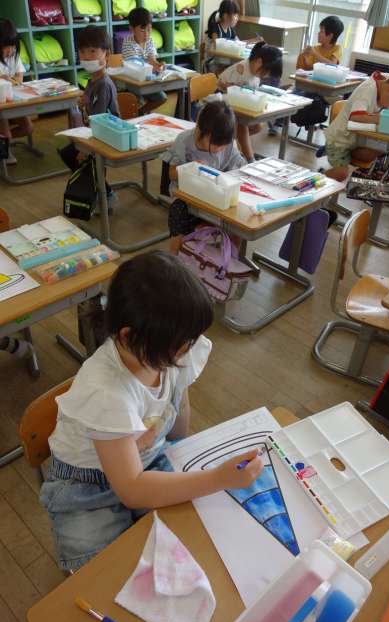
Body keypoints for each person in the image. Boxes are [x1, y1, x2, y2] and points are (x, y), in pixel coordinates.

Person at [40, 251, 263, 571]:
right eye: (179, 346)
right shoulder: (107, 391)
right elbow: (132, 489)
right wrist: (218, 478)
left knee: (193, 534)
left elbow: (178, 405)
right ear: (128, 337)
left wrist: (180, 452)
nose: (186, 352)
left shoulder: (171, 347)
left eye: (190, 341)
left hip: (146, 458)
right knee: (108, 573)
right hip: (86, 490)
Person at [161, 100, 246, 254]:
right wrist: (189, 169)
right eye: (216, 144)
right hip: (188, 198)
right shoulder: (184, 141)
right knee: (178, 212)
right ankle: (174, 257)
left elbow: (240, 169)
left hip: (216, 198)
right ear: (200, 130)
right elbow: (171, 174)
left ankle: (229, 261)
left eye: (224, 145)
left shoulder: (226, 144)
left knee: (239, 220)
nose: (219, 149)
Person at [58, 26, 119, 207]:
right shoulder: (93, 80)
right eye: (83, 52)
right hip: (95, 133)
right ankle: (99, 190)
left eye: (92, 51)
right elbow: (92, 106)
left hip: (105, 136)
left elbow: (99, 120)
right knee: (70, 153)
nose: (87, 57)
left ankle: (106, 194)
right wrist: (84, 102)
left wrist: (86, 149)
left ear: (106, 54)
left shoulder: (103, 84)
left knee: (79, 157)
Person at [324, 69, 389, 181]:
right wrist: (386, 118)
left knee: (381, 151)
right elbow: (355, 117)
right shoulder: (368, 90)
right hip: (339, 141)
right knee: (342, 173)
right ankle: (317, 179)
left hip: (358, 141)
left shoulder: (387, 83)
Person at [218, 42, 283, 161]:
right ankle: (249, 159)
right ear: (259, 62)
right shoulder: (241, 69)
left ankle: (228, 144)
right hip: (220, 103)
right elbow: (222, 86)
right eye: (264, 72)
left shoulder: (254, 73)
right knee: (242, 125)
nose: (264, 76)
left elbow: (251, 91)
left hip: (237, 104)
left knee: (257, 126)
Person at [0, 18, 33, 165]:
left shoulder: (14, 56)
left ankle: (4, 143)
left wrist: (15, 81)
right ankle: (5, 149)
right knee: (5, 133)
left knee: (28, 128)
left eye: (13, 46)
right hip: (1, 103)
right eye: (6, 47)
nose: (11, 50)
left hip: (13, 100)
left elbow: (19, 76)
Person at [122, 7, 167, 114]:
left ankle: (140, 112)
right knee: (139, 101)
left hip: (147, 81)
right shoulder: (128, 42)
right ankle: (138, 114)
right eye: (142, 30)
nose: (146, 34)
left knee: (162, 98)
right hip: (132, 83)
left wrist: (157, 64)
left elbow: (151, 58)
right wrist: (152, 66)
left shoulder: (149, 40)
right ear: (132, 29)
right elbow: (135, 66)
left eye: (149, 29)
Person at [205, 0, 240, 74]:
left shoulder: (230, 29)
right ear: (225, 16)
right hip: (213, 63)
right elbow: (217, 46)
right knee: (234, 70)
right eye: (235, 15)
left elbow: (239, 43)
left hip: (225, 62)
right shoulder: (215, 29)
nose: (237, 18)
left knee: (238, 66)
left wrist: (254, 40)